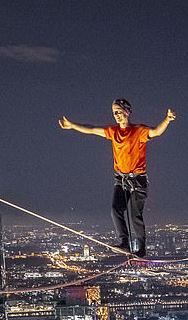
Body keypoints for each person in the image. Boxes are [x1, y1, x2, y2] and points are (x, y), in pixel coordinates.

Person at [59, 99, 176, 257]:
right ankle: (124, 243)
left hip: (138, 180)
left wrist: (167, 120)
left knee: (135, 214)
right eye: (115, 113)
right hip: (121, 179)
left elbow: (155, 132)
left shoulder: (139, 131)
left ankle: (141, 248)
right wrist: (73, 126)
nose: (117, 116)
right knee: (116, 210)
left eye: (120, 112)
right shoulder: (113, 132)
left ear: (127, 112)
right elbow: (92, 129)